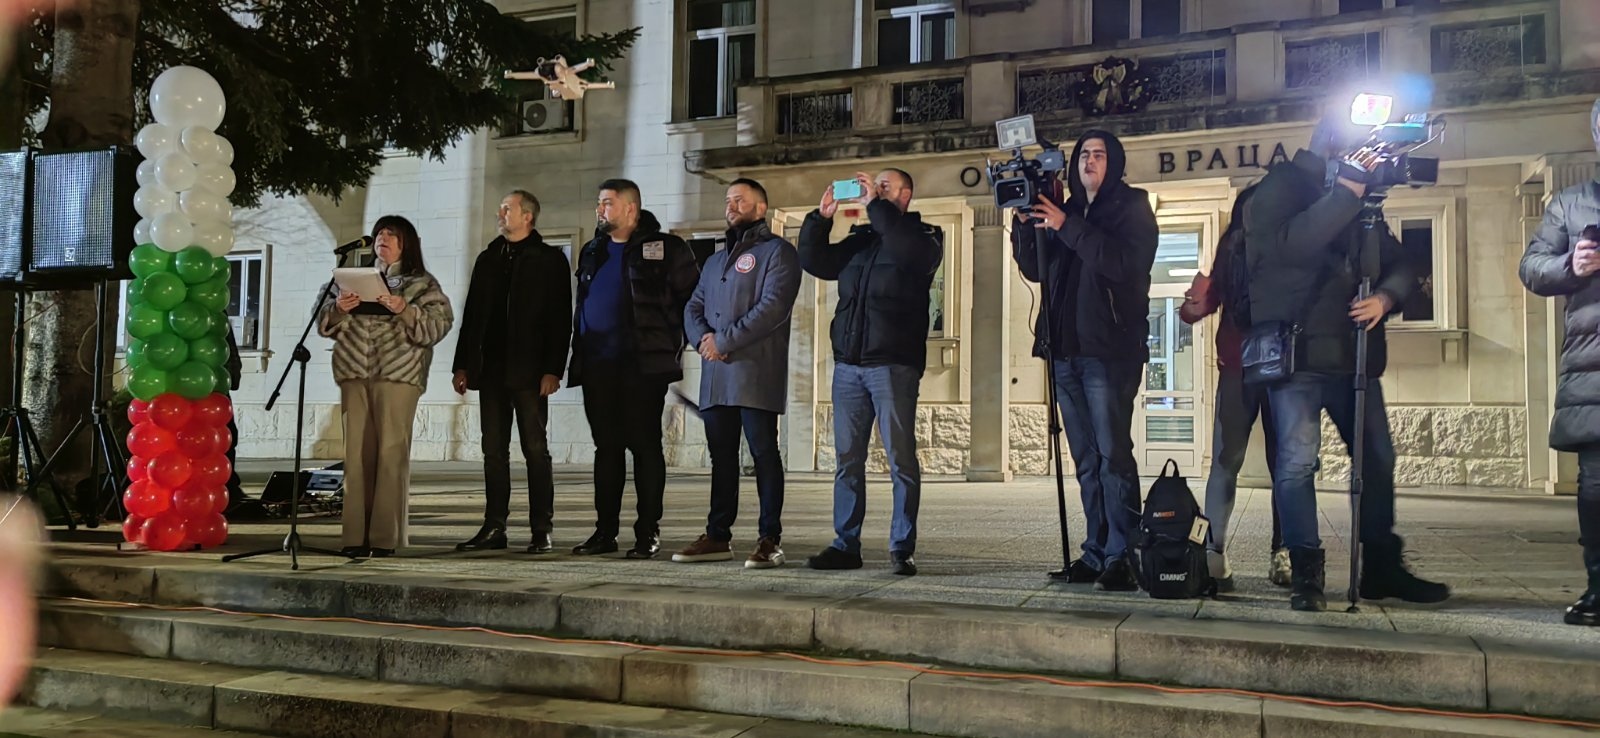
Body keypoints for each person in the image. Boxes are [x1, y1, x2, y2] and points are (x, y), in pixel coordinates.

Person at [1245, 111, 1449, 611]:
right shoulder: (1281, 185)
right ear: (1333, 145)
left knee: (1378, 459)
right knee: (1297, 464)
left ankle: (1381, 567)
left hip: (1353, 355)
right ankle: (1305, 572)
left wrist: (1386, 297)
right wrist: (1346, 193)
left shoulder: (1361, 201)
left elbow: (1401, 265)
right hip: (1296, 355)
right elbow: (1292, 247)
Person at [1011, 130, 1158, 592]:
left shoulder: (1132, 206)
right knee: (1086, 460)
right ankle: (1096, 551)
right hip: (1065, 351)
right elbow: (1035, 268)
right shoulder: (1067, 208)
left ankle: (1123, 555)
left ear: (1115, 162)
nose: (1089, 162)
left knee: (1113, 455)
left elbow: (1123, 265)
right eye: (1083, 156)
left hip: (1109, 351)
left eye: (1099, 155)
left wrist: (1066, 226)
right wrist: (1025, 224)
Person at [798, 169, 941, 576]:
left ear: (905, 196)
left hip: (892, 364)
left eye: (884, 187)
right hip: (849, 365)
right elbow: (816, 261)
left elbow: (904, 249)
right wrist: (820, 219)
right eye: (873, 186)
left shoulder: (924, 237)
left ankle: (901, 546)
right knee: (847, 459)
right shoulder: (860, 239)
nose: (874, 191)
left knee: (900, 459)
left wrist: (874, 205)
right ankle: (845, 545)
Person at [568, 179, 698, 559]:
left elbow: (692, 301)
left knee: (644, 447)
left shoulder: (666, 249)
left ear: (630, 208)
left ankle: (647, 532)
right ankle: (604, 531)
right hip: (598, 366)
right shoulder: (593, 251)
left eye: (607, 203)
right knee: (606, 449)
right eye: (599, 202)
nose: (600, 209)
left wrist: (677, 345)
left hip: (643, 366)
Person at [674, 178, 801, 568]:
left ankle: (769, 539)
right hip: (716, 375)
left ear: (760, 208)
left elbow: (772, 308)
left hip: (754, 372)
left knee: (763, 453)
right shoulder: (715, 261)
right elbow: (692, 307)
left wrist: (724, 341)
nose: (730, 206)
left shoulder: (778, 252)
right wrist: (704, 340)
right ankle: (717, 535)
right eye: (728, 200)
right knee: (722, 457)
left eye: (739, 200)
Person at [318, 216, 454, 557]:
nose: (383, 238)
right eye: (380, 233)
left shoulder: (421, 283)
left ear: (407, 243)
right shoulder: (352, 277)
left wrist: (405, 309)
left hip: (398, 375)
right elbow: (321, 319)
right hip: (354, 373)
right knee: (355, 455)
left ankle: (383, 538)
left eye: (392, 234)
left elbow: (438, 326)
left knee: (391, 453)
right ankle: (354, 536)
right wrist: (338, 309)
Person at [1179, 185, 1288, 591]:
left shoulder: (1277, 246)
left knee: (1280, 465)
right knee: (1237, 461)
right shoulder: (1234, 251)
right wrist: (1193, 304)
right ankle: (1219, 552)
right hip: (1250, 368)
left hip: (1270, 368)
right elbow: (1197, 308)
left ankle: (1272, 551)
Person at [452, 190, 572, 555]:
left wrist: (552, 369)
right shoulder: (489, 258)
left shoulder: (549, 260)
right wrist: (462, 364)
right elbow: (472, 315)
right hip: (491, 369)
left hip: (530, 371)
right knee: (493, 449)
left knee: (535, 448)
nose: (500, 213)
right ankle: (494, 526)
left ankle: (541, 528)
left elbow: (560, 319)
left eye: (507, 209)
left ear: (527, 216)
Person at [1518, 96, 1600, 626]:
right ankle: (1599, 587)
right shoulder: (1572, 203)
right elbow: (1531, 266)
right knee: (1595, 486)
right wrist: (1572, 263)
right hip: (1593, 367)